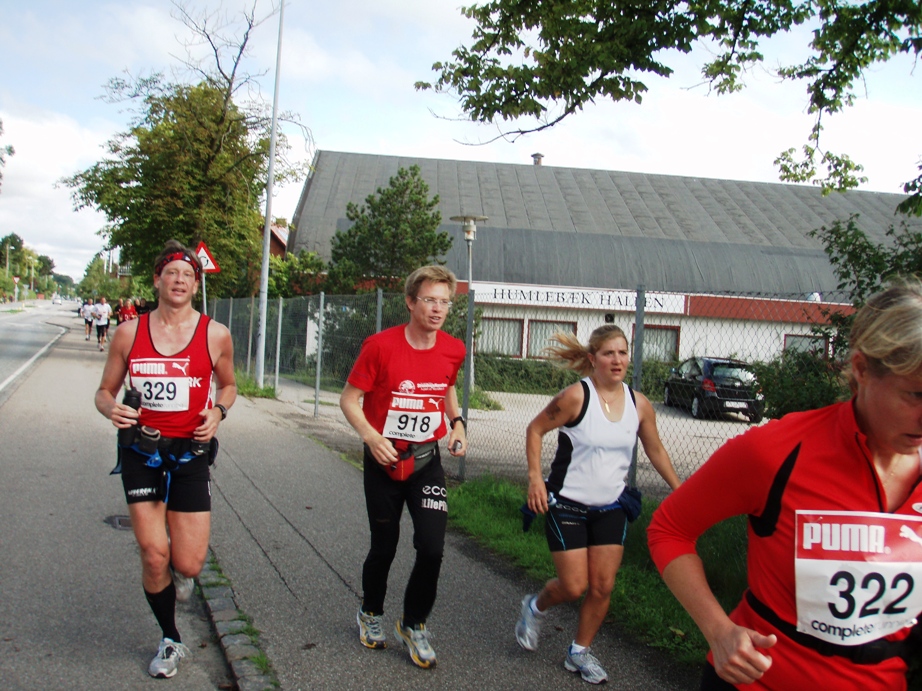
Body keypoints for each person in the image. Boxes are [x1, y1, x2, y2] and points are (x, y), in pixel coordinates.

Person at [647, 279, 922, 690]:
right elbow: (670, 529)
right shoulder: (777, 451)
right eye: (915, 395)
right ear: (862, 369)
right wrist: (718, 630)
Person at [95, 240, 236, 679]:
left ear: (196, 283)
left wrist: (217, 411)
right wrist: (110, 408)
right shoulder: (128, 332)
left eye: (187, 275)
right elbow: (104, 392)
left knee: (189, 564)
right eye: (171, 272)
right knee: (154, 553)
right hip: (142, 449)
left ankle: (180, 577)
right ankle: (171, 638)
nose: (179, 280)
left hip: (191, 451)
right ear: (157, 279)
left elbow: (229, 386)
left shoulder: (215, 334)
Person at [514, 324, 682, 684]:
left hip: (611, 507)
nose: (617, 360)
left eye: (623, 353)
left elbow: (655, 449)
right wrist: (534, 479)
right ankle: (535, 606)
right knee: (573, 586)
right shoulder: (576, 397)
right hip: (567, 505)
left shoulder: (640, 405)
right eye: (609, 353)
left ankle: (579, 653)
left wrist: (679, 488)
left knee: (603, 586)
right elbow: (535, 429)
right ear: (593, 359)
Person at [339, 265, 467, 669]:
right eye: (429, 299)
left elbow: (446, 385)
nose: (437, 308)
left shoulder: (453, 348)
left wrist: (457, 422)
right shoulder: (379, 346)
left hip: (427, 461)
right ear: (411, 302)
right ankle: (371, 612)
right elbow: (348, 399)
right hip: (384, 459)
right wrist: (371, 437)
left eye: (444, 301)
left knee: (432, 547)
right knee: (385, 544)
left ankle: (413, 623)